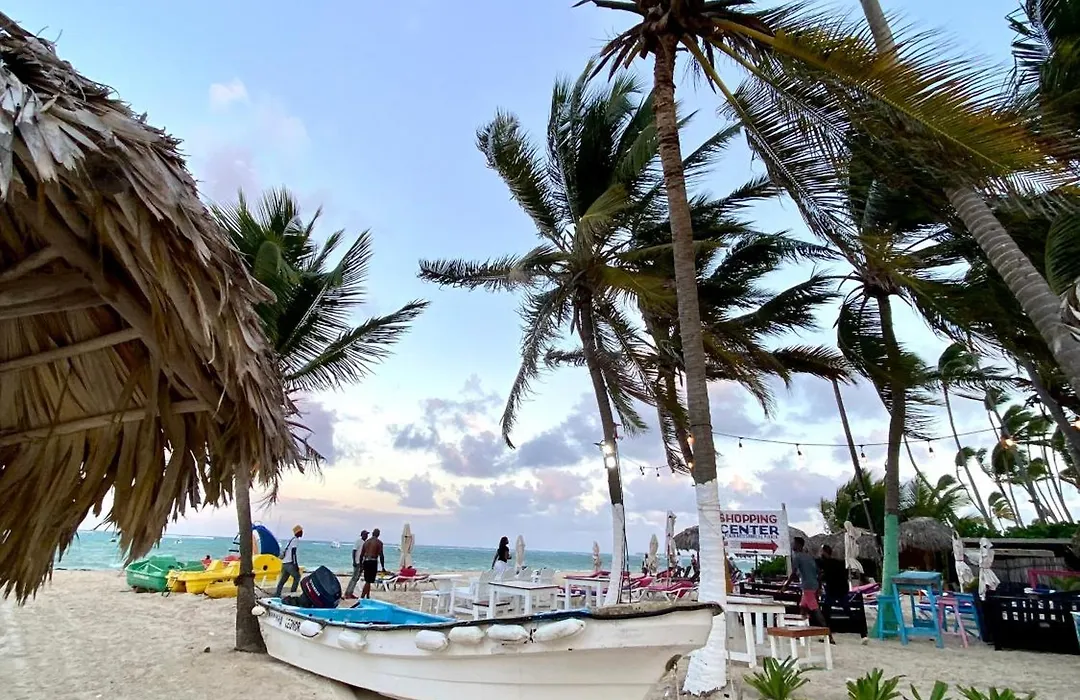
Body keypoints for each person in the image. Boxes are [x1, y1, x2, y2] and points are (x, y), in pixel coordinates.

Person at [781, 536, 832, 642]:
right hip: (813, 586)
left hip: (807, 587)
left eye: (794, 543)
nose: (792, 545)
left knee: (816, 610)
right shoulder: (809, 557)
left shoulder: (797, 557)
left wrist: (786, 586)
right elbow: (819, 573)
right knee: (803, 608)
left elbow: (793, 573)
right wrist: (819, 587)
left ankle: (829, 635)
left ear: (799, 545)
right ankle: (800, 631)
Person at [820, 544, 867, 639]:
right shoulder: (838, 563)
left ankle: (827, 634)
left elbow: (824, 577)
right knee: (848, 611)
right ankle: (862, 633)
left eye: (821, 551)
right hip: (842, 589)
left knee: (826, 611)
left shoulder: (825, 563)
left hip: (833, 590)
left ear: (824, 552)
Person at [274, 524, 303, 598]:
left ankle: (277, 594)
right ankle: (292, 594)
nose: (302, 532)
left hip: (284, 563)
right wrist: (295, 564)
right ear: (298, 532)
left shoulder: (291, 539)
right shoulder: (296, 540)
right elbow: (293, 553)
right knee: (297, 577)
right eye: (301, 531)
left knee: (283, 580)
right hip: (289, 563)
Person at [359, 527, 384, 599]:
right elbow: (381, 555)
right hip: (373, 561)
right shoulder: (379, 543)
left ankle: (368, 596)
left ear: (372, 534)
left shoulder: (366, 542)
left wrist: (361, 565)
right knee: (368, 581)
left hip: (366, 561)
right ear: (378, 534)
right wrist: (383, 566)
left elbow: (361, 555)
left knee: (368, 580)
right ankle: (362, 597)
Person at [343, 530, 369, 599]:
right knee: (354, 578)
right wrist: (354, 561)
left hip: (362, 563)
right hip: (357, 562)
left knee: (356, 578)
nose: (366, 536)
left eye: (367, 535)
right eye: (365, 534)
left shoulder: (365, 543)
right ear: (362, 535)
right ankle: (347, 593)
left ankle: (350, 592)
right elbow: (354, 551)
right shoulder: (358, 541)